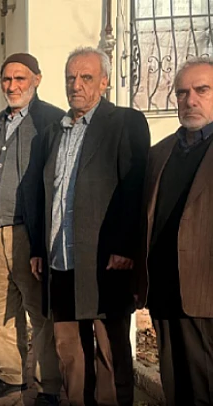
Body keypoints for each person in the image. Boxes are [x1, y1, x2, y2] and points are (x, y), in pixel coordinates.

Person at [33, 47, 150, 406]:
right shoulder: (54, 132)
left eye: (86, 77)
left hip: (106, 261)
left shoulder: (124, 123)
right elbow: (46, 194)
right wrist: (39, 248)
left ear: (104, 82)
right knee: (68, 347)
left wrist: (126, 247)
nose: (76, 85)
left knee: (109, 350)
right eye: (70, 78)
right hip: (61, 260)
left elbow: (135, 188)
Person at [0, 54, 64, 405]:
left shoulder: (51, 120)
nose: (12, 86)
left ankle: (48, 386)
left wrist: (43, 243)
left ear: (37, 80)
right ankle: (12, 375)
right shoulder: (0, 120)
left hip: (28, 234)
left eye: (20, 78)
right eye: (7, 79)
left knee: (40, 312)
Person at [137, 57, 213, 406]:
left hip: (206, 292)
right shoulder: (160, 153)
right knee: (175, 384)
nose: (190, 100)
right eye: (182, 92)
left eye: (202, 90)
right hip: (165, 291)